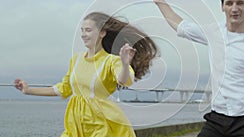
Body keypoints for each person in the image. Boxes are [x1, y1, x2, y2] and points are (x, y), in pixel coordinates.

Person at [151, 0, 244, 137]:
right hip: (217, 120)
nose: (234, 8)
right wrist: (160, 1)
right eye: (229, 3)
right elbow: (182, 27)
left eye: (240, 3)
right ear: (222, 7)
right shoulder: (215, 32)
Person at [14, 12, 158, 137]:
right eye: (82, 30)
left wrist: (126, 63)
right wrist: (28, 90)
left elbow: (124, 80)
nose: (83, 35)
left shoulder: (112, 61)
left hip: (101, 124)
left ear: (102, 32)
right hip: (75, 125)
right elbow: (63, 89)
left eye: (88, 30)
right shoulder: (76, 60)